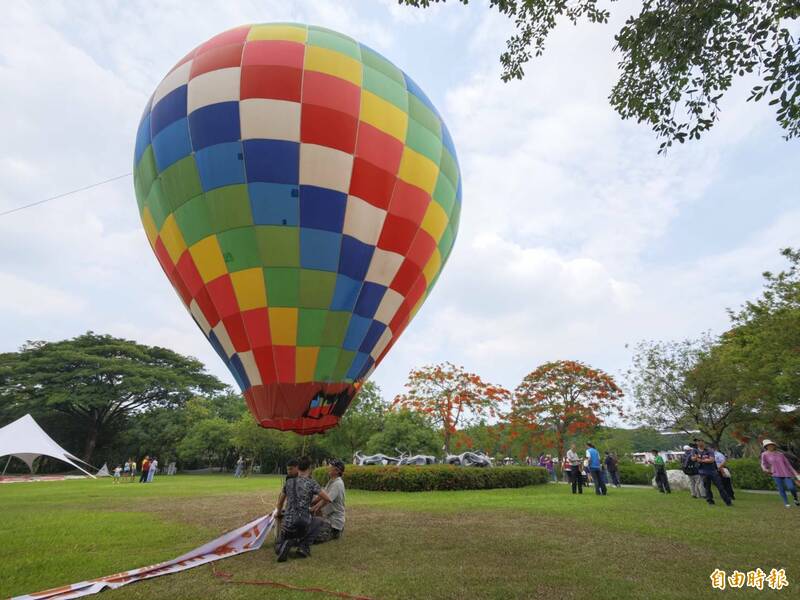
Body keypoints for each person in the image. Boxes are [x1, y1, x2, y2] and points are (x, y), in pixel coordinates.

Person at [274, 456, 331, 562]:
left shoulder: (289, 482)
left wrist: (278, 513)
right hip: (302, 522)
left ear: (298, 468)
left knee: (281, 542)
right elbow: (328, 499)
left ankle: (282, 545)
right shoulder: (311, 483)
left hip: (287, 523)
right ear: (310, 468)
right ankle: (303, 548)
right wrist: (314, 508)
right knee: (319, 521)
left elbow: (280, 501)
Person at [313, 459, 346, 543]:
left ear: (337, 471)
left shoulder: (337, 484)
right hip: (328, 519)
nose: (328, 468)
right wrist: (310, 503)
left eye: (330, 467)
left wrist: (312, 508)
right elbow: (321, 496)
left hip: (334, 524)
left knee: (311, 536)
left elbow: (326, 500)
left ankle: (335, 533)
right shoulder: (332, 481)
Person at [760, 439, 800, 508]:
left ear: (774, 446)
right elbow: (763, 464)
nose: (770, 446)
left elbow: (788, 465)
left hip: (786, 473)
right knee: (781, 489)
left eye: (771, 445)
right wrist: (766, 469)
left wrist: (796, 473)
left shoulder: (780, 454)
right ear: (766, 447)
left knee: (791, 487)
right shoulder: (764, 454)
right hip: (776, 474)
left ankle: (795, 498)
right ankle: (786, 503)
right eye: (768, 445)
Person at [693, 439, 731, 506]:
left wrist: (700, 460)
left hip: (712, 472)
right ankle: (710, 501)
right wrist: (696, 458)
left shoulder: (709, 450)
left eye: (699, 441)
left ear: (703, 442)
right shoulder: (695, 451)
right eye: (697, 441)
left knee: (720, 487)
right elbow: (692, 458)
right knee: (707, 488)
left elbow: (711, 460)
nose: (698, 442)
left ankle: (728, 501)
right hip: (703, 472)